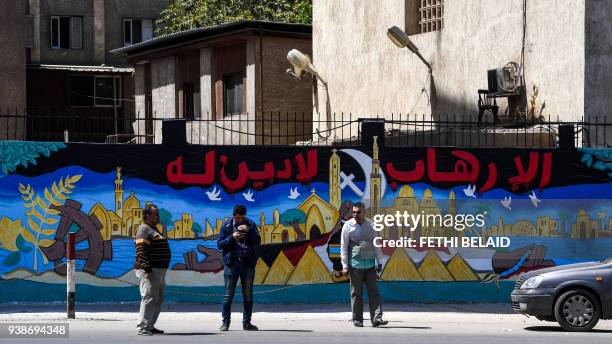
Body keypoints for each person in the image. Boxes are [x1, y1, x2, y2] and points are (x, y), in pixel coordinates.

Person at [341, 202, 388, 327]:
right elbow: (343, 247)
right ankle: (357, 319)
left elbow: (377, 245)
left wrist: (380, 262)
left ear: (364, 212)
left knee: (374, 292)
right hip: (355, 266)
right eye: (354, 212)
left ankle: (377, 319)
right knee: (356, 294)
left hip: (370, 266)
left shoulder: (372, 225)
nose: (356, 214)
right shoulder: (348, 226)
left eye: (358, 212)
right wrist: (345, 265)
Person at [217, 204, 261, 331]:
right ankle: (225, 322)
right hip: (232, 264)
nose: (240, 220)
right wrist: (232, 237)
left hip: (247, 264)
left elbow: (257, 240)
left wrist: (249, 231)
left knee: (248, 295)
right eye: (238, 218)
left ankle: (246, 323)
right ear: (234, 215)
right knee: (228, 294)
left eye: (242, 218)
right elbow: (219, 244)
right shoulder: (226, 226)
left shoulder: (250, 224)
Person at [133, 202, 171, 336]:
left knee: (158, 298)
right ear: (148, 215)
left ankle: (150, 325)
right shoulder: (144, 229)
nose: (158, 217)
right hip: (150, 271)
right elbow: (141, 249)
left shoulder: (152, 228)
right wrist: (146, 268)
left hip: (159, 271)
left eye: (158, 214)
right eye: (156, 214)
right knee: (148, 297)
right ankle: (142, 327)